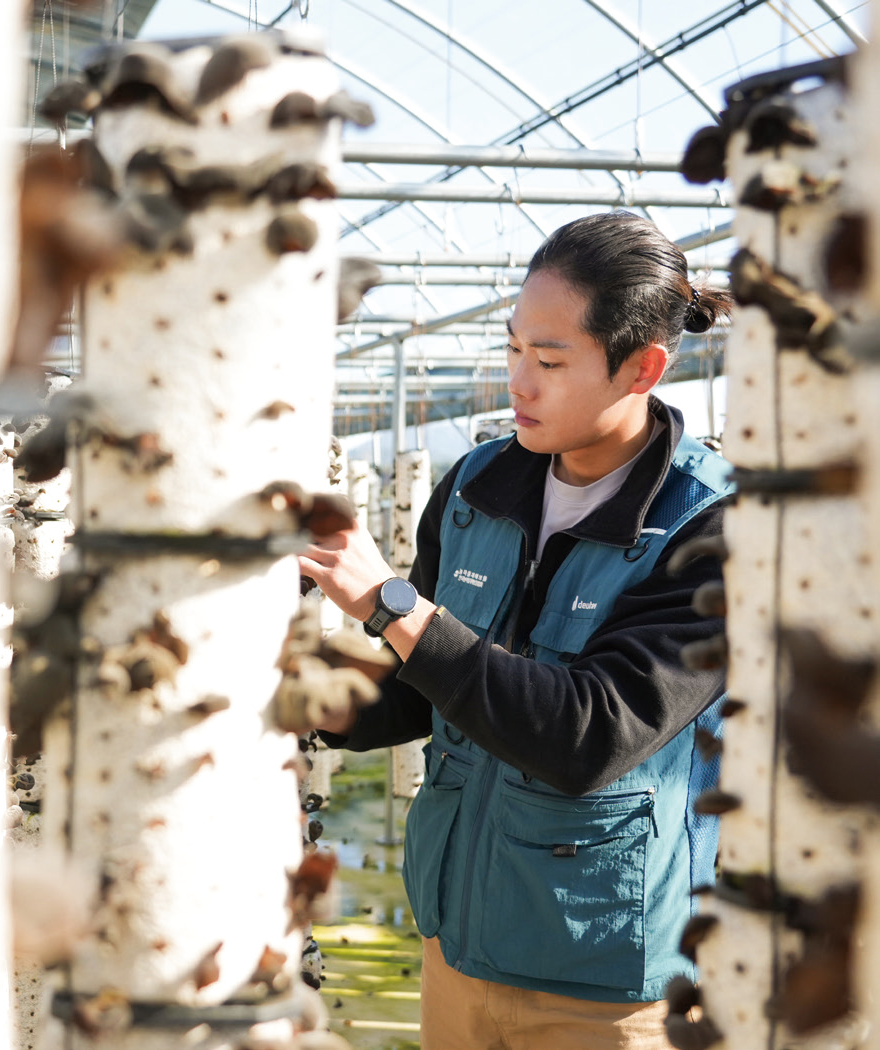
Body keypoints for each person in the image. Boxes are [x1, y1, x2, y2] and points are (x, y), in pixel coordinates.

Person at [299, 211, 733, 1050]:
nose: (518, 383)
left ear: (641, 367)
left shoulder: (709, 527)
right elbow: (426, 691)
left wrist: (391, 603)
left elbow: (591, 734)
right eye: (512, 350)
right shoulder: (476, 488)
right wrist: (291, 686)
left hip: (603, 982)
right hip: (456, 946)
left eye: (549, 360)